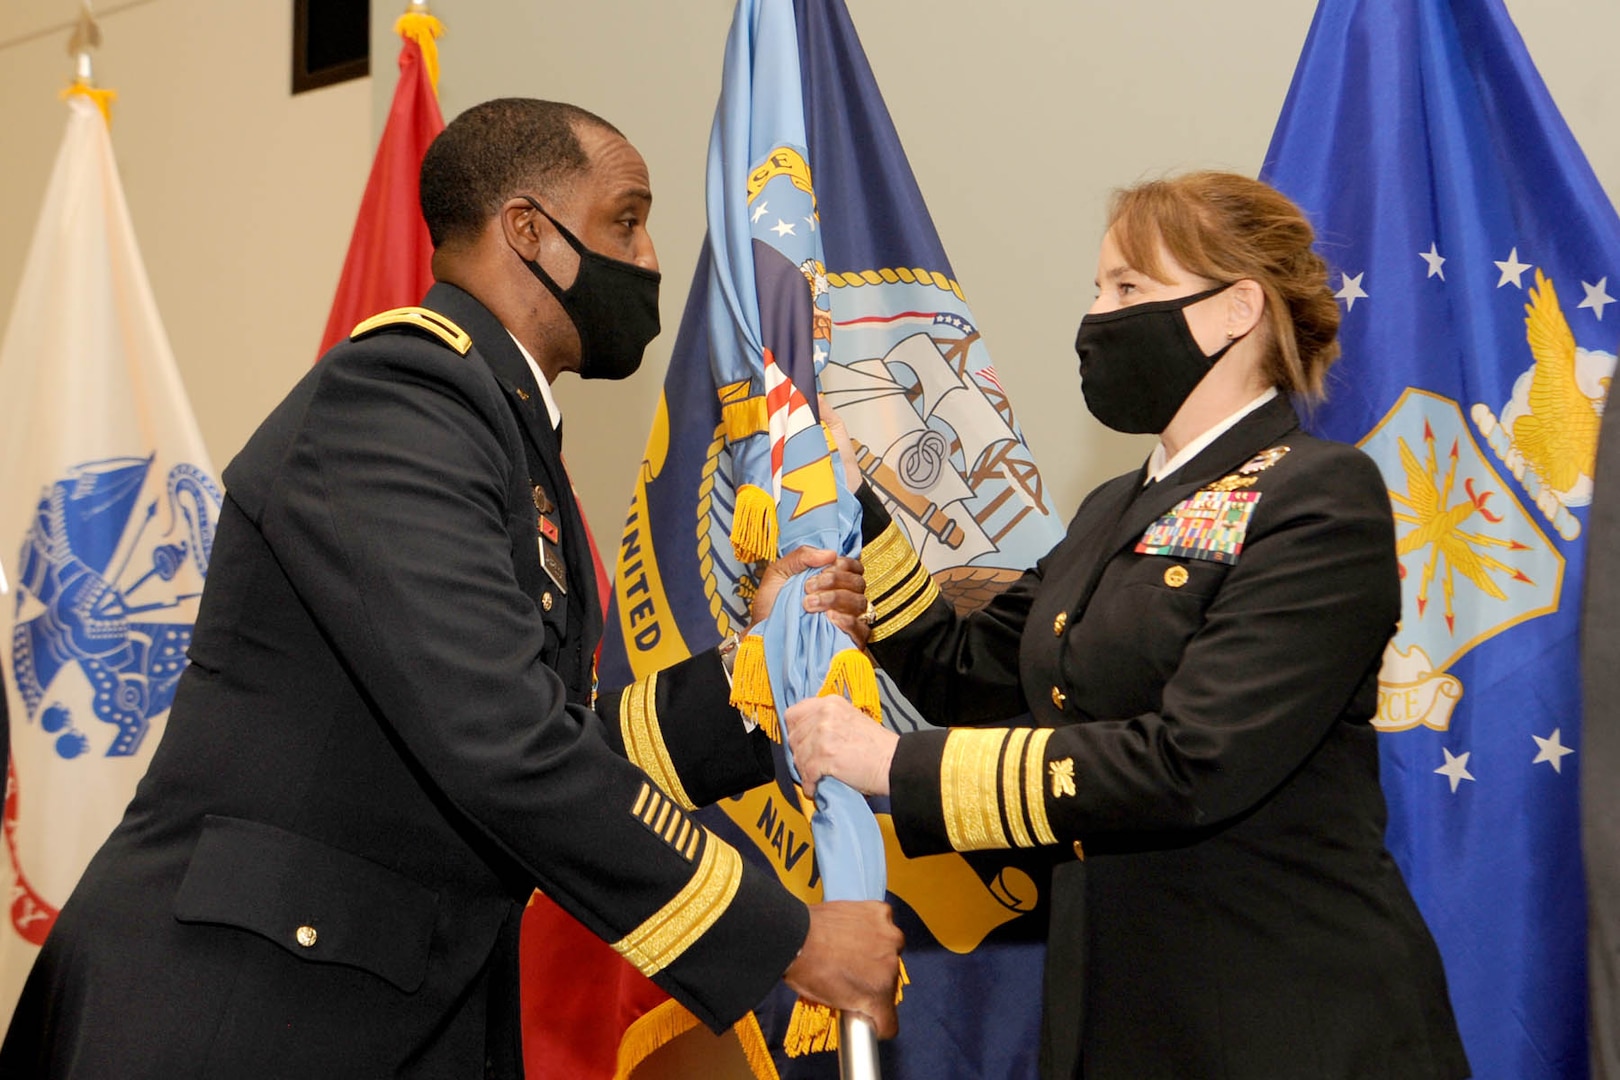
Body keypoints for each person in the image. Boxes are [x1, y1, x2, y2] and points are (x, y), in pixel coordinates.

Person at [0, 98, 902, 1080]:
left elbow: (559, 731)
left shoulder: (499, 427)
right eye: (626, 221)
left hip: (367, 1007)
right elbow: (504, 740)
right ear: (528, 230)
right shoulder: (399, 400)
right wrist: (785, 938)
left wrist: (749, 673)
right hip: (236, 1013)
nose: (649, 261)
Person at [783, 172, 1471, 1079]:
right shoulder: (1117, 506)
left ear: (1236, 311)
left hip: (1284, 1021)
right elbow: (970, 663)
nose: (1097, 316)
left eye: (1128, 290)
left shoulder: (1317, 495)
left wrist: (893, 764)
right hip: (1114, 1016)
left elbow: (1194, 761)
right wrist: (854, 503)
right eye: (1097, 288)